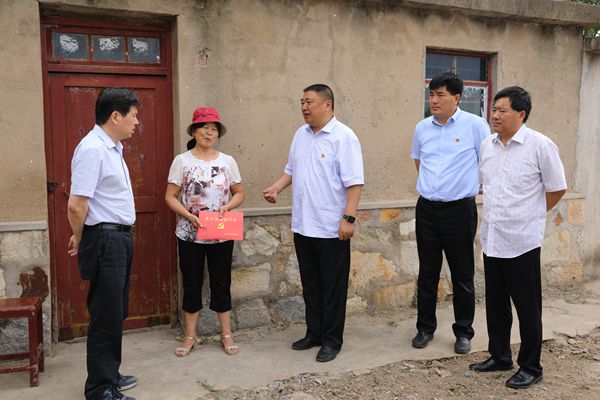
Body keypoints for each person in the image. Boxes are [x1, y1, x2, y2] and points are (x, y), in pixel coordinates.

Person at [469, 86, 566, 389]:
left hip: (522, 241)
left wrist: (531, 213)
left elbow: (557, 188)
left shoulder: (540, 145)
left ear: (521, 114)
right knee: (496, 304)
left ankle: (531, 366)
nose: (495, 115)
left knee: (527, 308)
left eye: (502, 110)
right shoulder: (487, 145)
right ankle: (500, 356)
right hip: (493, 237)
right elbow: (486, 186)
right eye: (493, 109)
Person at [263, 84, 364, 363]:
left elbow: (355, 183)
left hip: (332, 228)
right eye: (302, 102)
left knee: (333, 288)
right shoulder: (301, 134)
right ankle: (314, 333)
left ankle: (332, 340)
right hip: (304, 225)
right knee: (311, 285)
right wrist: (276, 188)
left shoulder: (344, 137)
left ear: (327, 104)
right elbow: (291, 169)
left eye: (309, 102)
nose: (304, 107)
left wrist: (348, 219)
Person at [67, 87, 140, 400]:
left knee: (116, 310)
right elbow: (76, 204)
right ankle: (99, 389)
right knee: (106, 314)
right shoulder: (92, 149)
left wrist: (81, 231)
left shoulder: (113, 148)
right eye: (133, 115)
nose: (136, 121)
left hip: (117, 236)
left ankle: (109, 374)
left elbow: (92, 203)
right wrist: (83, 236)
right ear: (115, 117)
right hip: (106, 239)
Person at [410, 72, 490, 354]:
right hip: (428, 209)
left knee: (462, 275)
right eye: (431, 94)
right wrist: (435, 187)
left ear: (456, 98)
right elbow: (419, 162)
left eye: (440, 95)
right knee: (427, 273)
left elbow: (488, 161)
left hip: (460, 210)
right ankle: (425, 328)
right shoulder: (422, 128)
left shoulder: (475, 126)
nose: (433, 100)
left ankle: (464, 332)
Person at [165, 107, 245, 358]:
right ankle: (190, 336)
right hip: (189, 233)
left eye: (213, 129)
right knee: (192, 283)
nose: (209, 132)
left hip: (221, 231)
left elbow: (239, 193)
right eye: (204, 127)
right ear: (194, 131)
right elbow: (170, 196)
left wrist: (227, 207)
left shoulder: (227, 161)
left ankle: (226, 334)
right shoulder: (182, 161)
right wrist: (187, 215)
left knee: (222, 282)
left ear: (218, 134)